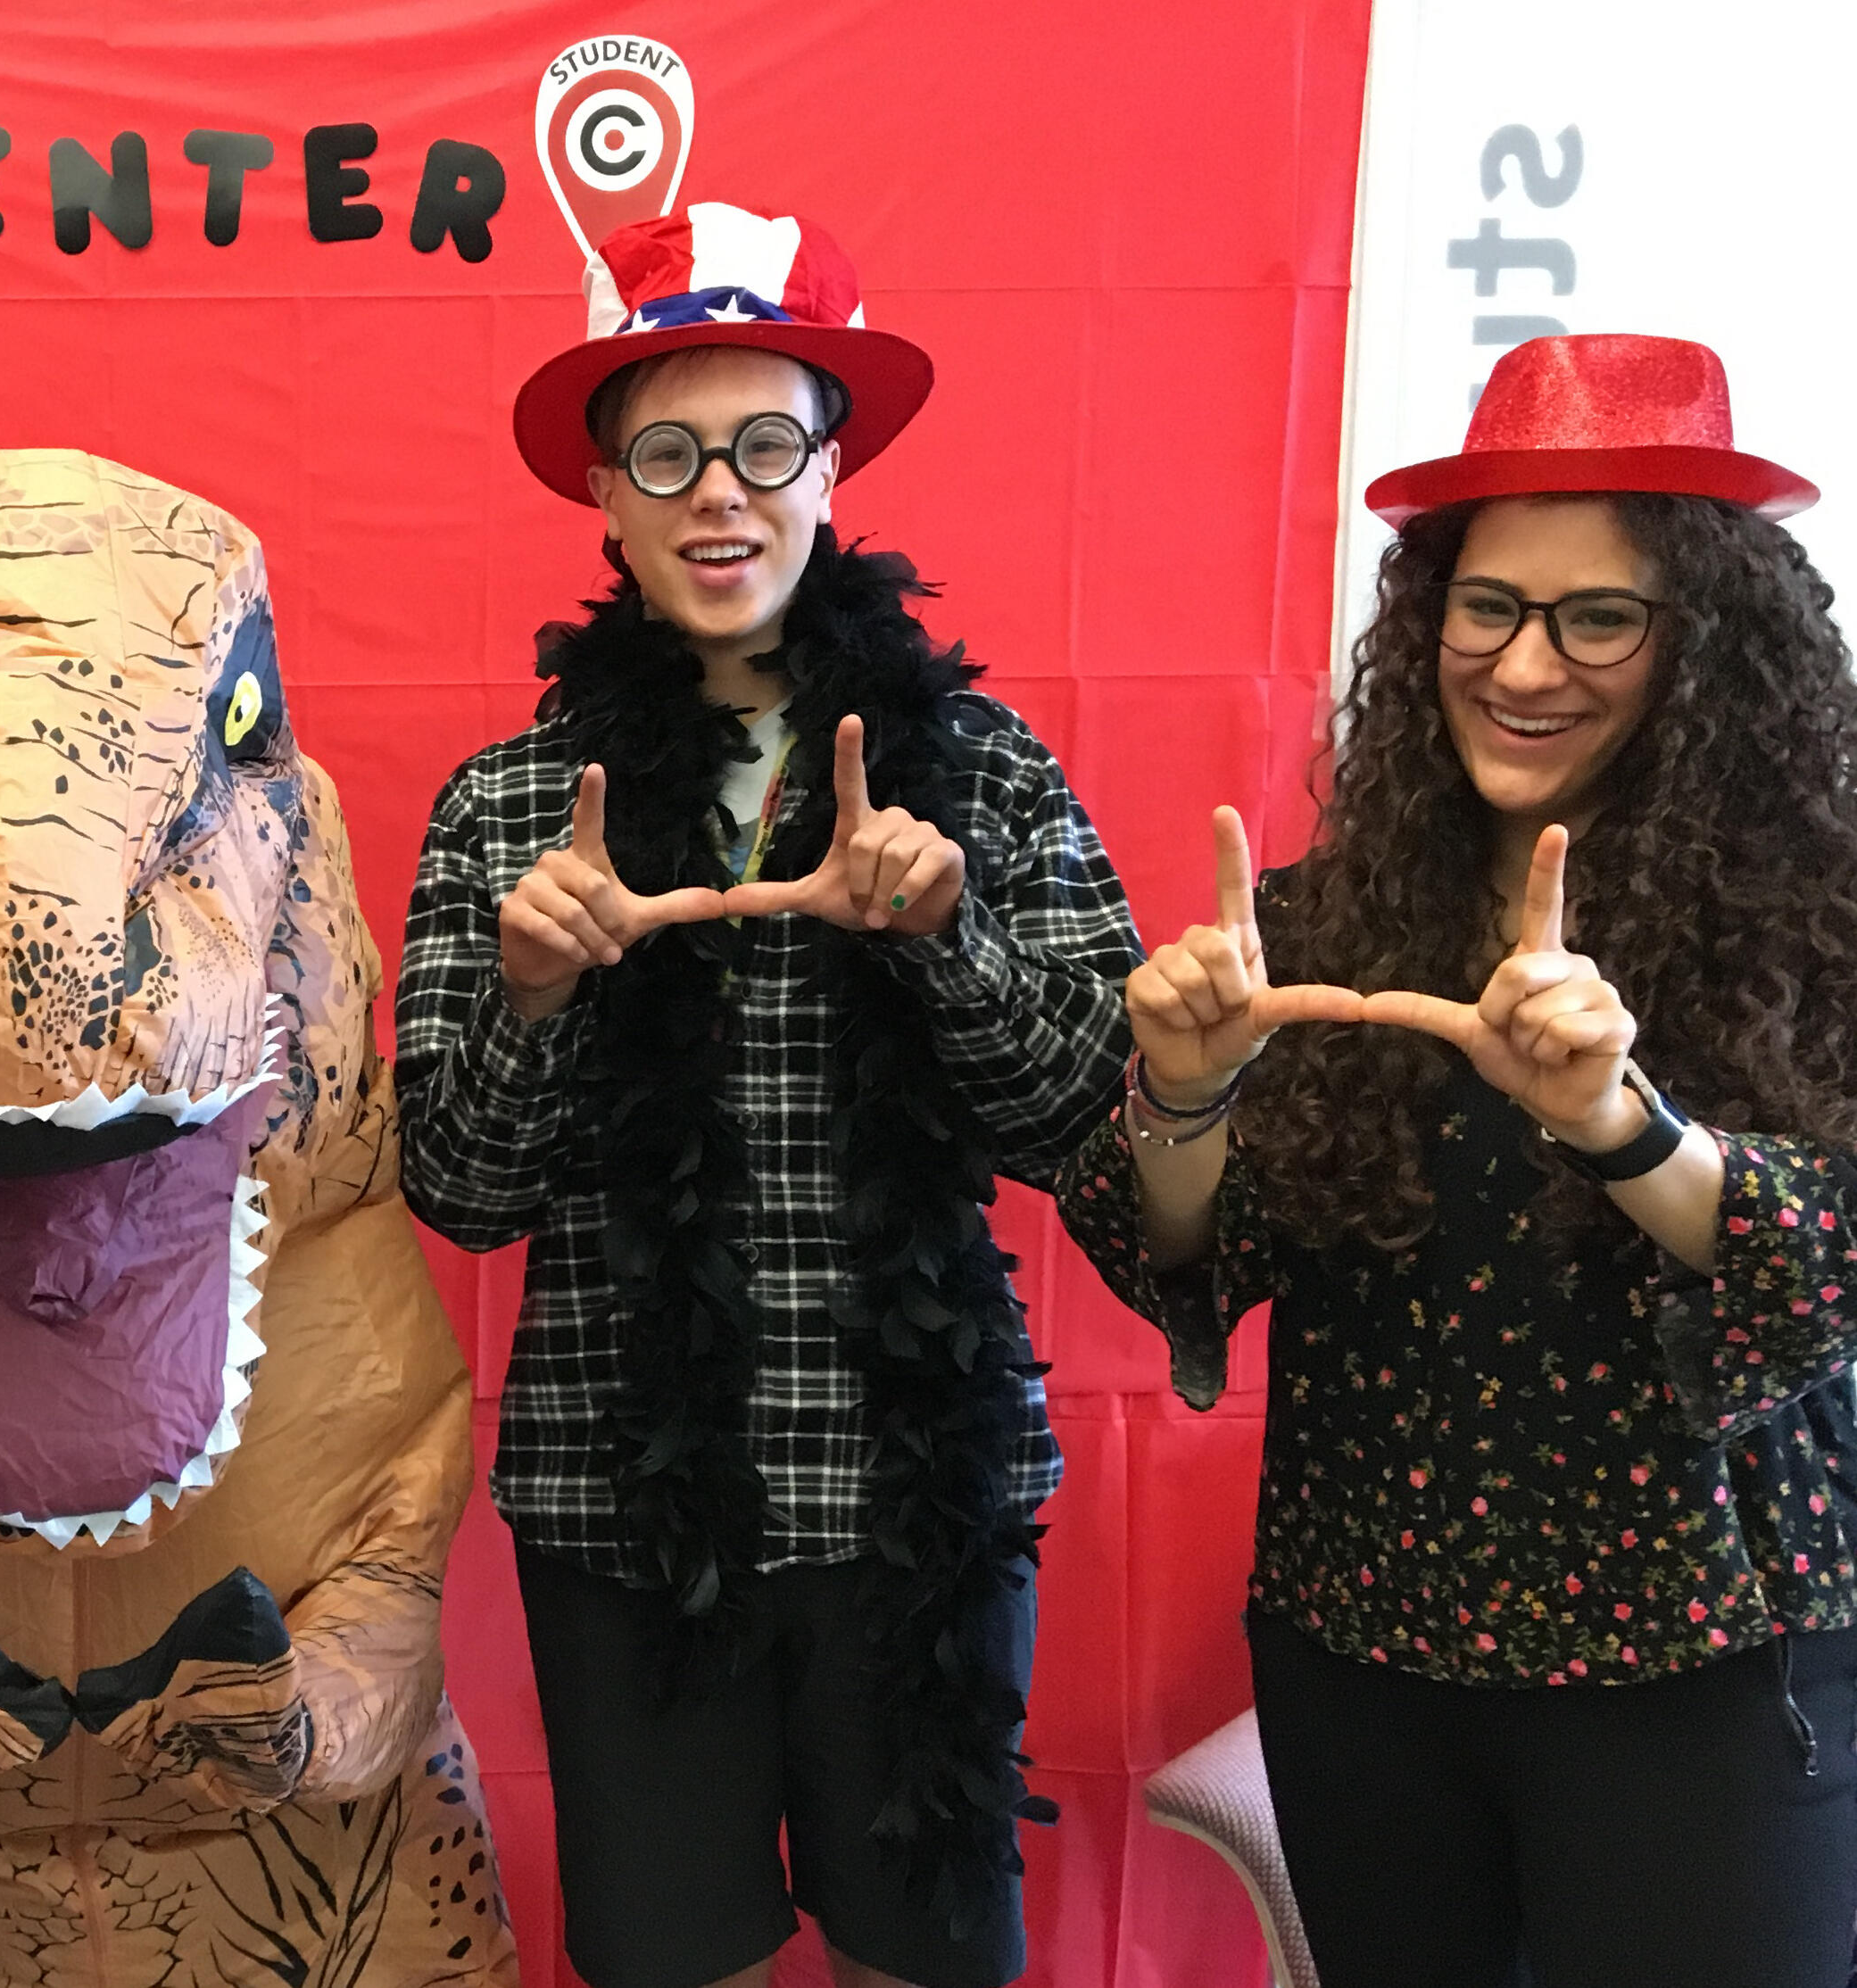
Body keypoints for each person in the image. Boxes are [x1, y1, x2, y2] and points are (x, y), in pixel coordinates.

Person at [395, 201, 1140, 1988]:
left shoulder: (985, 765)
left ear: (834, 459)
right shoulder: (505, 805)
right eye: (667, 451)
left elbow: (1091, 1123)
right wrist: (529, 995)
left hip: (912, 1499)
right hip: (627, 1511)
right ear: (604, 490)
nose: (717, 494)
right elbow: (458, 1188)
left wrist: (950, 942)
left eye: (762, 443)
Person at [1055, 331, 1857, 1987]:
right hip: (1372, 1668)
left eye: (1599, 616)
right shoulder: (1316, 919)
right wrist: (1186, 1095)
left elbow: (1828, 1262)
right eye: (1486, 607)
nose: (1527, 662)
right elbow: (1183, 1258)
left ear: (1704, 643)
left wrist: (1617, 1127)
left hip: (1701, 1663)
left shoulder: (1821, 916)